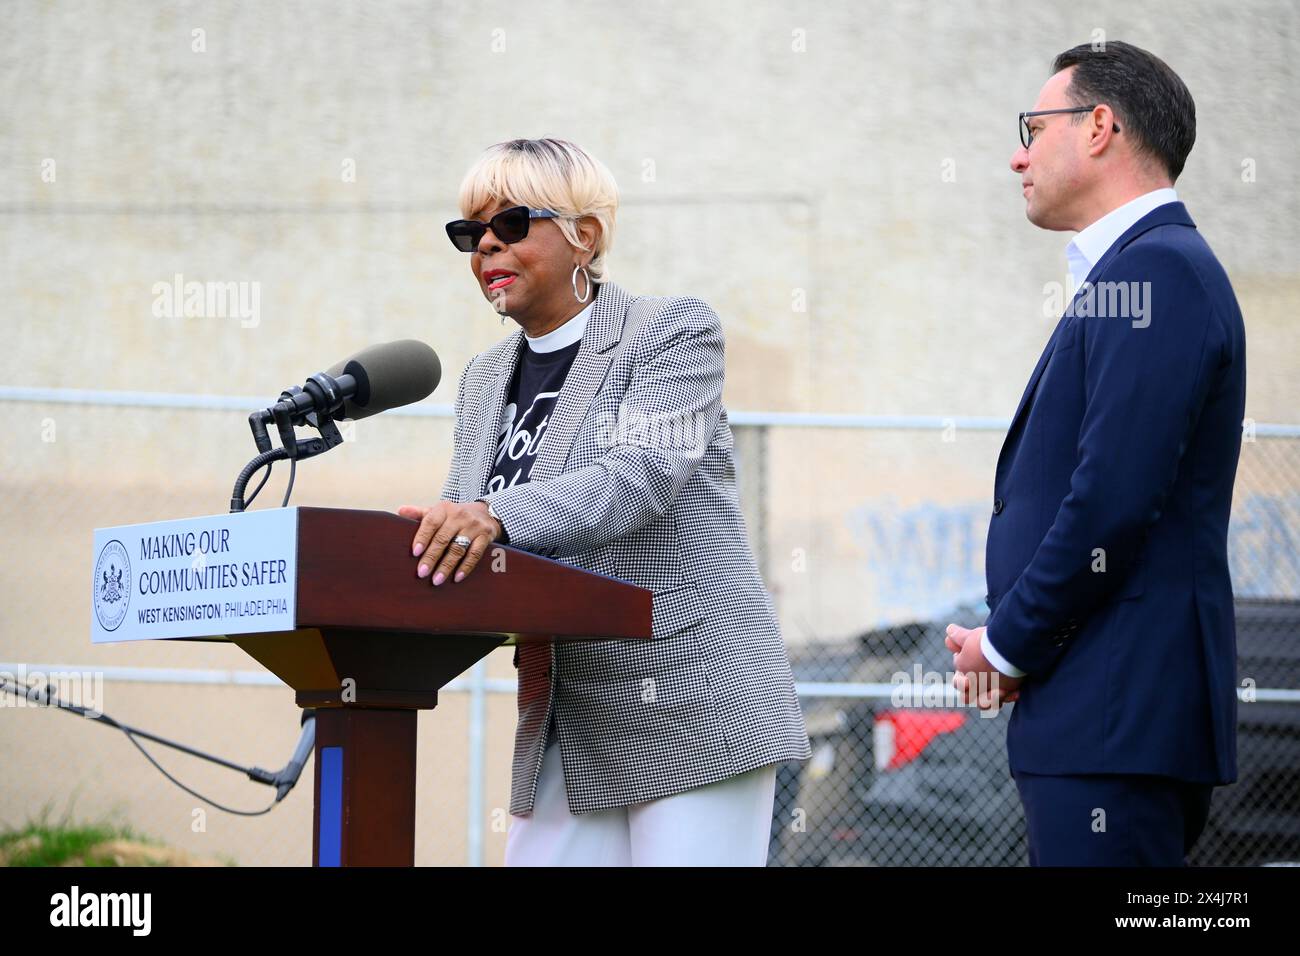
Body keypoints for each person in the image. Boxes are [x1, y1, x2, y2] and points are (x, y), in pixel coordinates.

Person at [398, 137, 809, 866]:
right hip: (567, 710)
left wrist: (492, 517)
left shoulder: (670, 332)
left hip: (691, 701)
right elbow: (468, 519)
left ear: (584, 235)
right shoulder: (484, 377)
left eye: (512, 223)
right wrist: (428, 548)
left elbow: (642, 473)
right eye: (470, 233)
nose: (486, 244)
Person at [946, 42, 1246, 865]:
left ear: (1101, 127)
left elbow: (1112, 500)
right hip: (1100, 712)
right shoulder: (1140, 272)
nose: (1018, 153)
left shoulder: (1156, 275)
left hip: (1117, 715)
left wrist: (1006, 647)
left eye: (1034, 128)